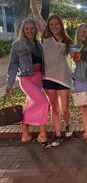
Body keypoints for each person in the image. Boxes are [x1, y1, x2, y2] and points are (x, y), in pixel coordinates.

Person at [28, 0, 73, 147]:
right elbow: (36, 14)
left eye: (56, 24)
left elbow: (75, 59)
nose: (54, 26)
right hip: (48, 77)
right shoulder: (46, 36)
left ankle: (67, 123)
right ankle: (58, 135)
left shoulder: (68, 41)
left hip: (63, 78)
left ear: (61, 25)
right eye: (51, 24)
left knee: (64, 108)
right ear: (49, 26)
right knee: (54, 108)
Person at [5, 18, 49, 147]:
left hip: (38, 79)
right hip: (26, 79)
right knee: (43, 102)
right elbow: (12, 66)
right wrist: (9, 85)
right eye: (27, 28)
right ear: (23, 30)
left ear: (35, 30)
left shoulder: (39, 44)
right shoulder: (17, 45)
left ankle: (25, 134)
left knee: (30, 105)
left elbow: (43, 63)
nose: (30, 31)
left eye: (32, 28)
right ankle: (42, 134)